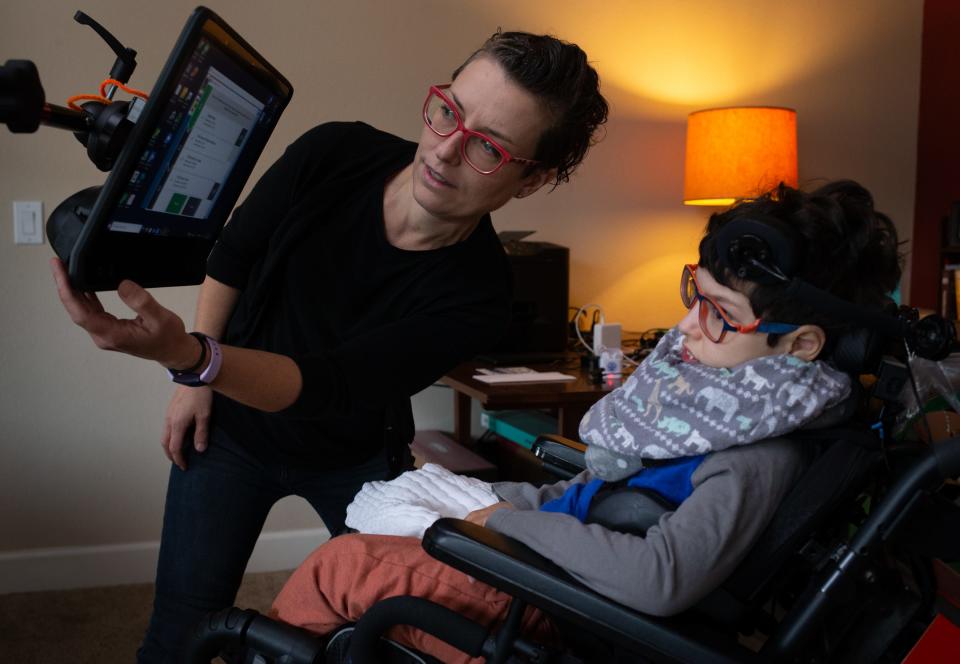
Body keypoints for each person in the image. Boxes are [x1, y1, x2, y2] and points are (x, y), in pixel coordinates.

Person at [50, 31, 609, 663]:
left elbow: (327, 382)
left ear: (530, 179)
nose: (446, 150)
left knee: (377, 629)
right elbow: (231, 257)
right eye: (449, 111)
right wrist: (193, 381)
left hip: (355, 458)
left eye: (487, 147)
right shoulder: (335, 151)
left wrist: (192, 359)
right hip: (230, 433)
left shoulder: (478, 295)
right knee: (181, 630)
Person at [269, 180, 903, 663]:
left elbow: (660, 579)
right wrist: (484, 499)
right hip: (550, 577)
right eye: (695, 294)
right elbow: (596, 499)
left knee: (341, 567)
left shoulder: (754, 458)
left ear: (801, 345)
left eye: (720, 313)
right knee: (388, 535)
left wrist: (510, 522)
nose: (686, 327)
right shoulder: (707, 421)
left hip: (557, 617)